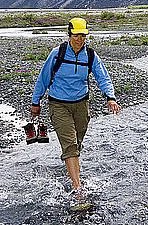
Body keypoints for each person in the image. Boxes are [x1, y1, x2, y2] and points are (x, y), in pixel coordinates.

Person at [30, 17, 121, 194]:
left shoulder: (91, 55)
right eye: (76, 35)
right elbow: (43, 78)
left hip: (81, 104)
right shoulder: (58, 53)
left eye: (83, 35)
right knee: (70, 144)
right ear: (69, 34)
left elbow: (103, 77)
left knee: (77, 142)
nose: (80, 39)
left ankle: (70, 168)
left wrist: (111, 97)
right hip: (58, 104)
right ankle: (77, 187)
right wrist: (36, 102)